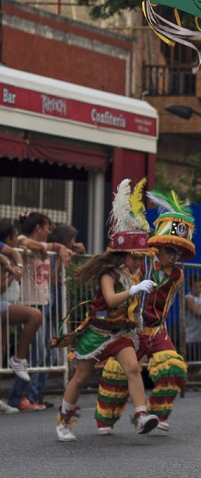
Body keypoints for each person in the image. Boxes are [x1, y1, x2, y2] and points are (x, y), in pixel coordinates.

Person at [50, 178, 159, 440]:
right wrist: (133, 291)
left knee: (133, 369)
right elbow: (110, 301)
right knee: (80, 377)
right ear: (124, 255)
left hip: (120, 333)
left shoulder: (134, 275)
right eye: (136, 256)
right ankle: (63, 421)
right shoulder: (109, 274)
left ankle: (140, 415)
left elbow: (130, 307)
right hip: (98, 332)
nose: (140, 261)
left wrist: (138, 316)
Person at [95, 190, 193, 433]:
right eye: (170, 251)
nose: (174, 257)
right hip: (131, 328)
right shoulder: (142, 261)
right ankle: (105, 420)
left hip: (157, 329)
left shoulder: (178, 275)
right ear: (158, 247)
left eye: (178, 252)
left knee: (173, 367)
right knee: (118, 375)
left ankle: (156, 415)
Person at [8, 211, 73, 412]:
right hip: (29, 305)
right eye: (47, 228)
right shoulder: (21, 241)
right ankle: (19, 396)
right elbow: (21, 243)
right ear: (38, 228)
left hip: (43, 302)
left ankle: (31, 395)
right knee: (36, 353)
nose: (49, 232)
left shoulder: (43, 249)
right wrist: (53, 246)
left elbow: (52, 279)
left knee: (48, 351)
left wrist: (63, 254)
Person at [0, 219, 43, 414]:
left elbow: (14, 252)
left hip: (6, 306)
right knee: (34, 315)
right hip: (2, 305)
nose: (17, 239)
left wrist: (16, 265)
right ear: (9, 237)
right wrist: (11, 274)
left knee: (0, 350)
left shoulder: (6, 253)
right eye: (15, 236)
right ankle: (18, 358)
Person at [185, 273, 201, 384]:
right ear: (190, 287)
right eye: (196, 287)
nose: (199, 289)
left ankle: (191, 380)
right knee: (191, 360)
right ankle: (187, 380)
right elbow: (197, 313)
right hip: (190, 336)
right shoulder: (188, 298)